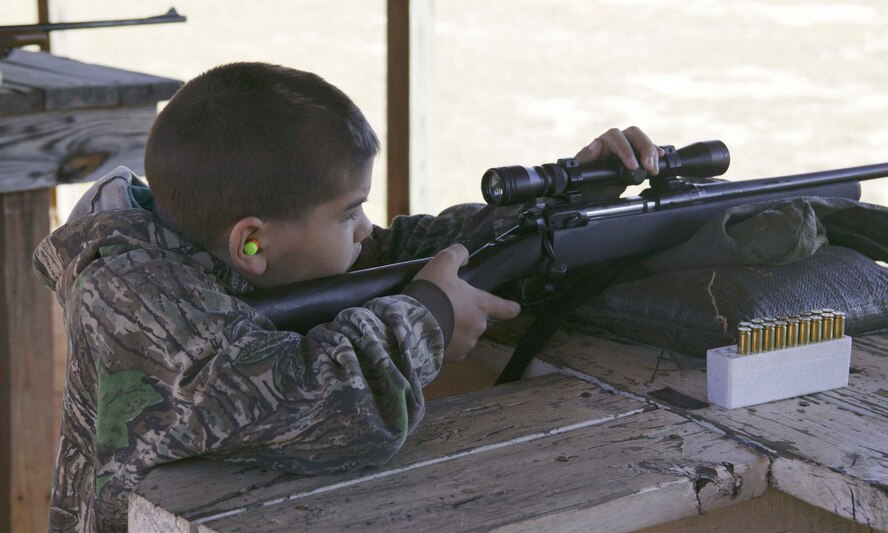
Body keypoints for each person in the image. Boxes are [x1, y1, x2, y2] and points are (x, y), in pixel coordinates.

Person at [32, 61, 664, 532]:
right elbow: (328, 410)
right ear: (251, 242)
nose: (365, 228)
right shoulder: (135, 302)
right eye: (349, 212)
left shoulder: (220, 244)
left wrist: (558, 208)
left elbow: (399, 250)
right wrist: (428, 320)